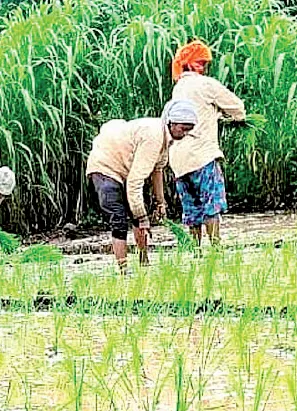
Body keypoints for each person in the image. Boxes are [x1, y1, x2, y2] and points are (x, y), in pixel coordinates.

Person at [86, 100, 199, 270]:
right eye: (183, 129)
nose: (184, 134)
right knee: (119, 219)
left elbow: (157, 171)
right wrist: (142, 218)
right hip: (105, 167)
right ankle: (124, 272)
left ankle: (144, 262)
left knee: (138, 210)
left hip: (126, 170)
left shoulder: (165, 139)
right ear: (172, 122)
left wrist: (161, 203)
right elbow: (134, 183)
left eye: (188, 130)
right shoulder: (153, 136)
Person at [170, 39, 246, 246]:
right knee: (211, 204)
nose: (203, 67)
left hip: (178, 161)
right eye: (200, 62)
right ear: (188, 63)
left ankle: (196, 253)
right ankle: (215, 250)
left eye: (204, 63)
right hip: (202, 156)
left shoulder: (178, 89)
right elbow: (238, 109)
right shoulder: (206, 84)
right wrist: (224, 115)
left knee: (192, 209)